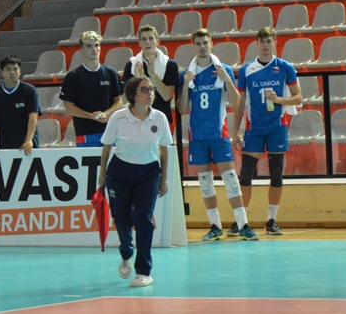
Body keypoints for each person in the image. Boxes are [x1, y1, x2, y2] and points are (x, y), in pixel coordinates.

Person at [179, 29, 256, 241]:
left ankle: (243, 225)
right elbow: (182, 108)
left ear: (211, 44)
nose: (202, 47)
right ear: (193, 47)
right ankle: (215, 226)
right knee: (205, 182)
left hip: (218, 133)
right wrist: (185, 85)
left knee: (230, 179)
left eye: (205, 43)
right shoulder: (188, 73)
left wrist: (227, 80)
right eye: (198, 44)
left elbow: (236, 103)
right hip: (197, 136)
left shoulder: (223, 69)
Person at [97, 76, 172, 288]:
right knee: (122, 219)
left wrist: (163, 179)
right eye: (144, 90)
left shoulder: (160, 118)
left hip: (149, 174)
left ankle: (143, 271)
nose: (150, 94)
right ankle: (126, 252)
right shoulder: (118, 117)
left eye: (152, 89)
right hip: (119, 173)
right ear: (133, 94)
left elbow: (164, 150)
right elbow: (107, 147)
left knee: (143, 219)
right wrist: (102, 174)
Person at [232, 27, 302, 236]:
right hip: (254, 128)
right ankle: (241, 220)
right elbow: (241, 102)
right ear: (257, 44)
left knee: (276, 172)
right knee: (246, 173)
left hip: (277, 127)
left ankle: (271, 220)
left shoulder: (285, 67)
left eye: (269, 41)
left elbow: (298, 97)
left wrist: (278, 99)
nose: (265, 45)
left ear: (274, 43)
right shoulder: (247, 70)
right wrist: (236, 131)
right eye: (262, 41)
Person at [60, 31, 123, 147]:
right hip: (85, 133)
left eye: (97, 45)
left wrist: (106, 114)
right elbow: (69, 108)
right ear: (82, 50)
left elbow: (119, 101)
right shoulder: (73, 76)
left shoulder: (111, 73)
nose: (94, 49)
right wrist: (91, 116)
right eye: (89, 46)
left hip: (110, 132)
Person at [121, 25, 180, 131]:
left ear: (157, 41)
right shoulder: (131, 65)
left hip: (162, 118)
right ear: (139, 43)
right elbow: (129, 97)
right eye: (144, 39)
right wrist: (139, 80)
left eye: (151, 38)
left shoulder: (170, 65)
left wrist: (152, 74)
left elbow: (166, 96)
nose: (147, 42)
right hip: (137, 119)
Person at [0, 55, 40, 157]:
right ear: (2, 72)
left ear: (20, 72)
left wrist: (28, 140)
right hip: (6, 146)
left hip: (29, 147)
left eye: (15, 69)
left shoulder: (29, 91)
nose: (12, 72)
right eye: (8, 69)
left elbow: (33, 116)